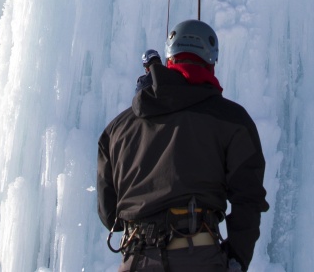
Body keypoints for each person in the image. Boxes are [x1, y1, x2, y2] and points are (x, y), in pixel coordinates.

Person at [97, 19, 268, 270]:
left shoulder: (116, 130)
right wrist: (237, 258)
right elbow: (249, 198)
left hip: (136, 258)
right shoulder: (232, 120)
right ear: (211, 62)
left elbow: (109, 214)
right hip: (198, 254)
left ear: (170, 60)